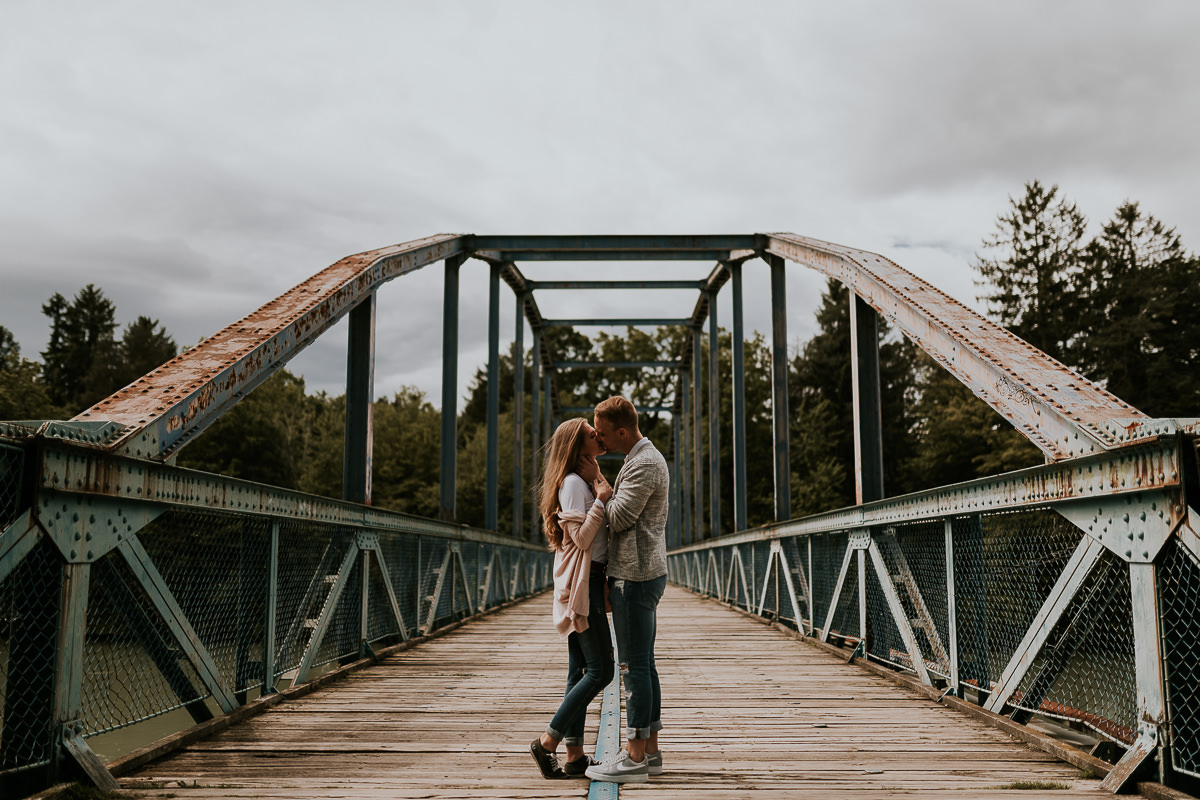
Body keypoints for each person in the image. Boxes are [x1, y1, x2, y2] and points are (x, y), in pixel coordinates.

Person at [585, 396, 669, 784]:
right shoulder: (639, 459)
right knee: (643, 663)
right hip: (640, 572)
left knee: (633, 667)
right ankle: (649, 752)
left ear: (622, 431)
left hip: (635, 576)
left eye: (602, 433)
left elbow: (618, 518)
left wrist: (598, 483)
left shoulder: (645, 463)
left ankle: (634, 758)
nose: (599, 439)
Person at [529, 417, 615, 780]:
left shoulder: (581, 480)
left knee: (579, 670)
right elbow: (580, 539)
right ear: (578, 447)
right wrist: (602, 498)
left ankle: (576, 755)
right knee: (602, 670)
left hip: (588, 578)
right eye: (593, 434)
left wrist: (600, 485)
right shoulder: (573, 484)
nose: (600, 435)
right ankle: (547, 742)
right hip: (584, 583)